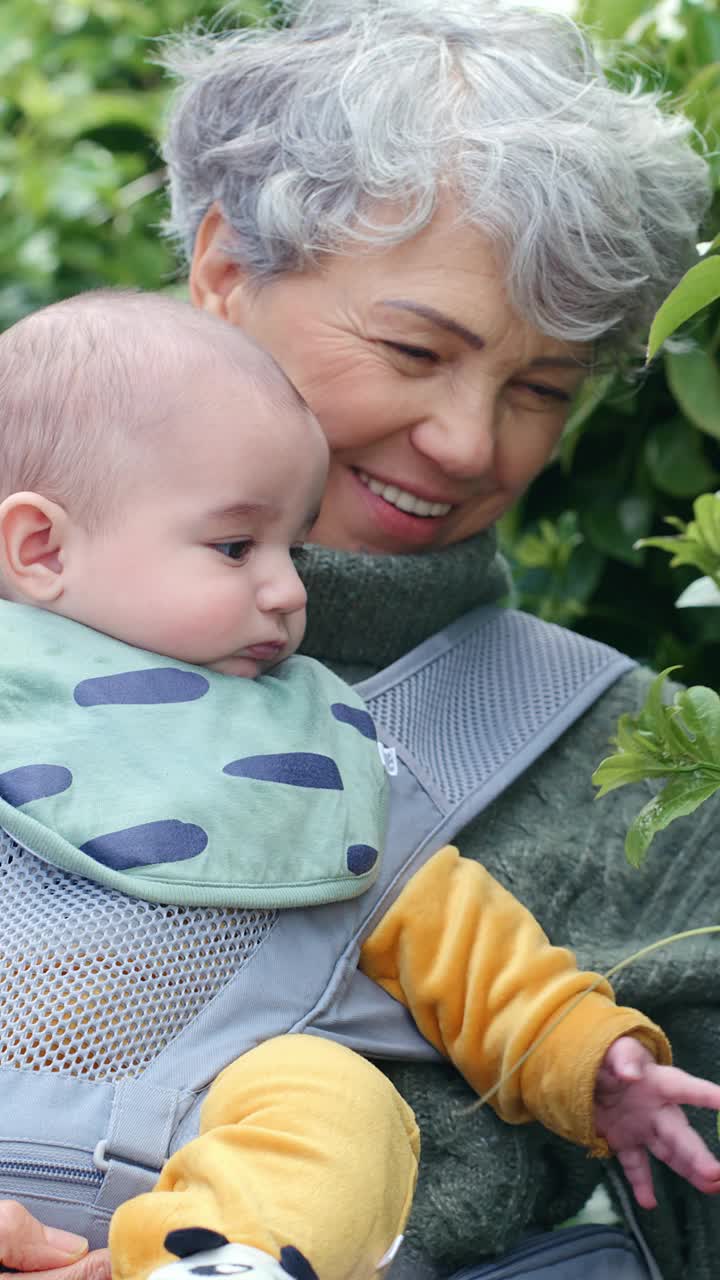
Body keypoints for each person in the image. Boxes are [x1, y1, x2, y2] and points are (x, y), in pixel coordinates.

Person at [155, 1, 718, 1276]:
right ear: (223, 271)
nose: (473, 444)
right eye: (416, 348)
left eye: (541, 389)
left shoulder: (645, 768)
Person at [2, 291, 720, 1280]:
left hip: (193, 1170)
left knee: (331, 1090)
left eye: (291, 547)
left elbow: (467, 944)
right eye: (233, 547)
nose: (290, 589)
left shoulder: (312, 751)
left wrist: (589, 1060)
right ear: (41, 548)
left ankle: (232, 1261)